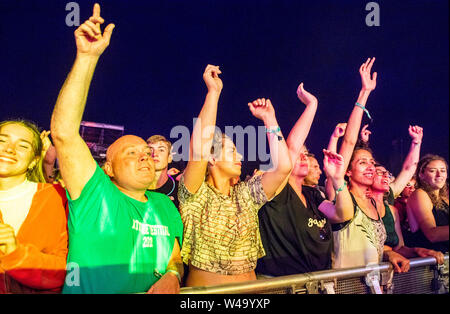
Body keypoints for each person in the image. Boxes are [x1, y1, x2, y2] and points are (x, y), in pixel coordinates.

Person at [51, 4, 183, 294]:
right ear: (107, 168)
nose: (145, 156)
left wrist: (173, 275)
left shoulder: (164, 206)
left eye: (146, 152)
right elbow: (63, 133)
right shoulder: (96, 195)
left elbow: (175, 257)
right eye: (131, 153)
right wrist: (86, 58)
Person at [178, 64, 292, 287]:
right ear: (212, 159)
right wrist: (213, 92)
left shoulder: (246, 194)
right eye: (231, 151)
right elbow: (200, 147)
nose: (239, 154)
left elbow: (283, 167)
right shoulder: (194, 194)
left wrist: (270, 120)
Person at [256, 83, 353, 277]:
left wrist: (337, 179)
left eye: (306, 153)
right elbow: (291, 147)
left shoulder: (313, 195)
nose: (303, 156)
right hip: (285, 285)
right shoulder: (277, 191)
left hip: (318, 282)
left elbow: (343, 214)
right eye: (298, 154)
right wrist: (312, 106)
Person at [0, 119, 68, 293]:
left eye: (23, 146)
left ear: (33, 160)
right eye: (2, 140)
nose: (9, 149)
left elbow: (66, 269)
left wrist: (16, 253)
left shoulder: (55, 197)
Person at [370, 164, 444, 273]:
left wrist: (417, 251)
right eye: (380, 172)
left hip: (388, 274)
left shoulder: (392, 211)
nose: (386, 176)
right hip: (362, 272)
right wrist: (387, 253)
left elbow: (399, 248)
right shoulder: (357, 207)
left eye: (387, 173)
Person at [406, 155, 449, 253]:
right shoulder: (419, 194)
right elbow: (432, 235)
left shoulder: (444, 199)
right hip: (428, 264)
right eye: (433, 171)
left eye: (443, 171)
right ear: (421, 175)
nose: (439, 175)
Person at [147, 135, 180, 208]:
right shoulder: (135, 188)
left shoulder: (179, 190)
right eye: (150, 150)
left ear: (169, 158)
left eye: (161, 150)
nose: (155, 154)